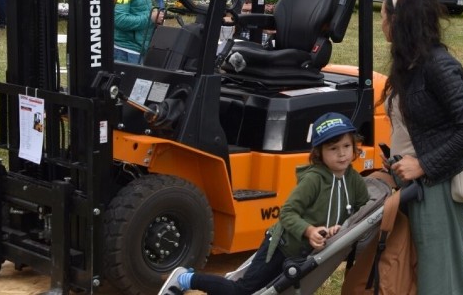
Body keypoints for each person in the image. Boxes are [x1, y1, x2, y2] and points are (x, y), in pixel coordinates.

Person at [158, 112, 370, 295]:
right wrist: (309, 230)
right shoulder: (314, 179)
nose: (342, 153)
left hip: (303, 255)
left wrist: (339, 227)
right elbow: (287, 213)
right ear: (319, 153)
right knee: (242, 291)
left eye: (346, 146)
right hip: (282, 247)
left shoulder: (354, 180)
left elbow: (362, 209)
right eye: (333, 148)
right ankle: (185, 278)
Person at [379, 0, 463, 294]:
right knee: (411, 271)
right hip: (412, 185)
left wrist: (424, 165)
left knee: (439, 277)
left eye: (384, 16)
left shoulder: (438, 65)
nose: (381, 23)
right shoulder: (410, 63)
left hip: (435, 187)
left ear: (399, 21)